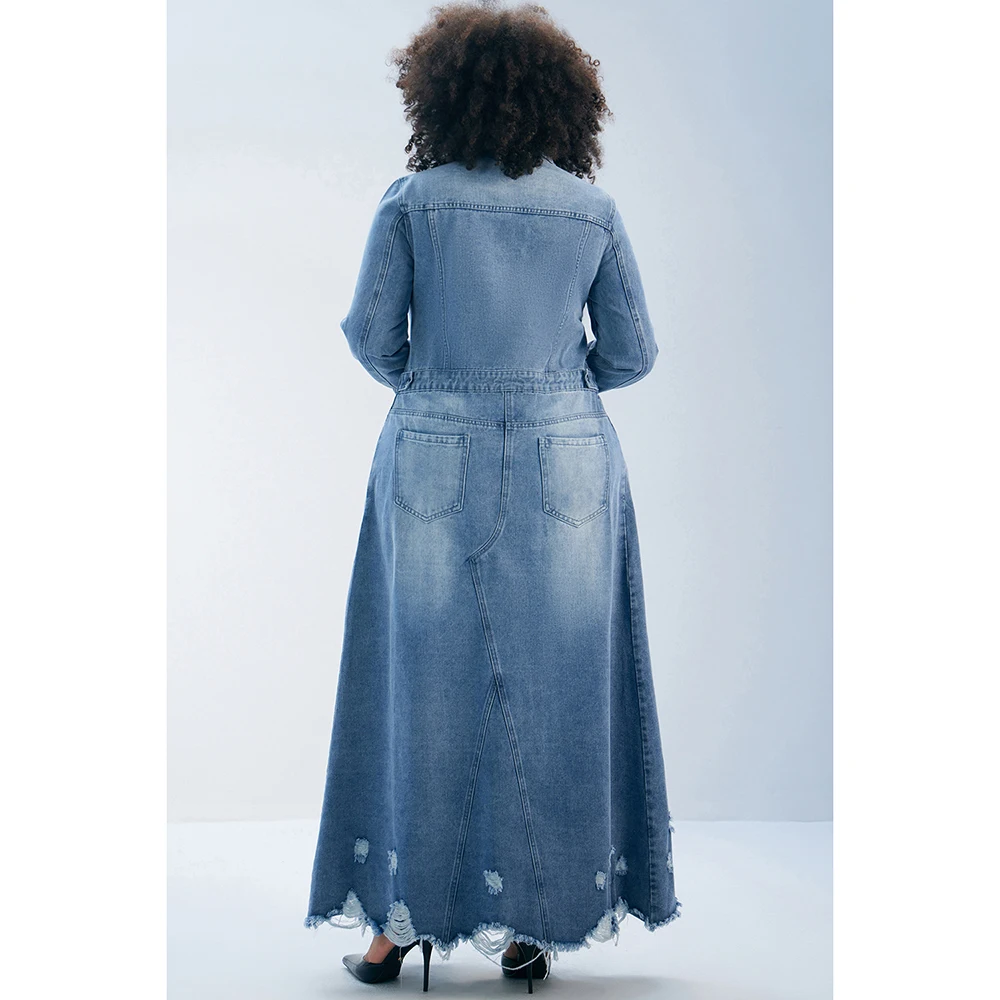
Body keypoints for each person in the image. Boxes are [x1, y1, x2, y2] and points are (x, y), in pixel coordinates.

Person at [304, 1, 681, 991]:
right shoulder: (591, 212)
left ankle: (395, 929)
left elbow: (371, 336)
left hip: (432, 445)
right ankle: (533, 926)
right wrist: (556, 388)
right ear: (564, 104)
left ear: (440, 97)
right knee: (562, 686)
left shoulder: (412, 201)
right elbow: (634, 352)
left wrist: (439, 388)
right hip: (570, 455)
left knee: (417, 680)